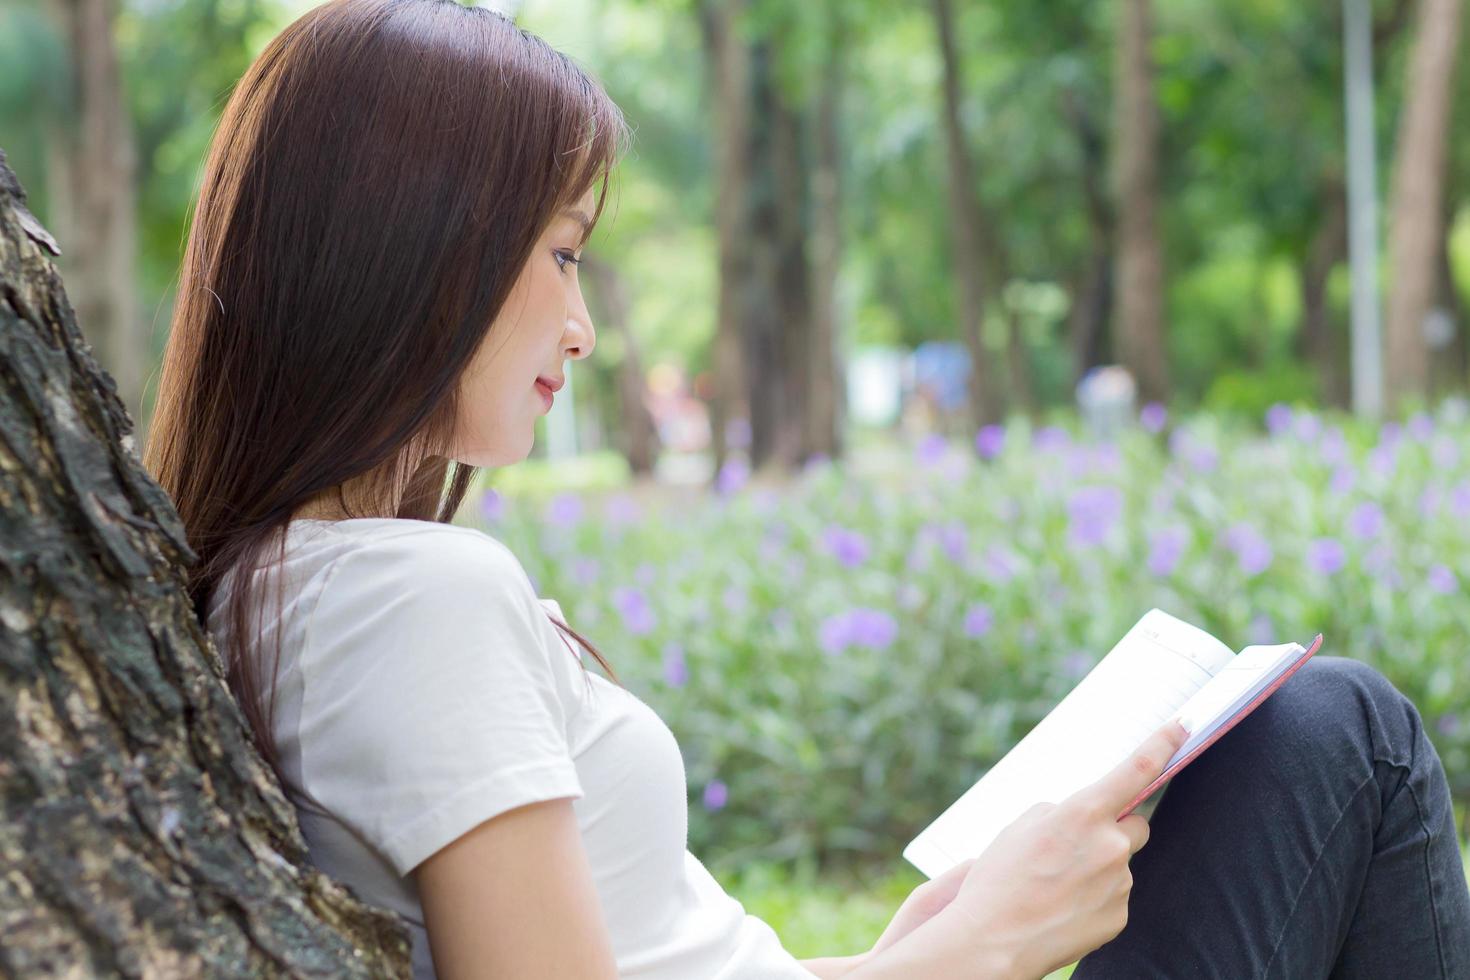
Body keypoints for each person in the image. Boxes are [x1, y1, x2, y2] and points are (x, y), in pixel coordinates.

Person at [143, 1, 1470, 977]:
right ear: (409, 254)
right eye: (558, 256)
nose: (582, 326)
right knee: (1342, 740)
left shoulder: (293, 586)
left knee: (1313, 730)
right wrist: (981, 949)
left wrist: (904, 947)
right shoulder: (406, 597)